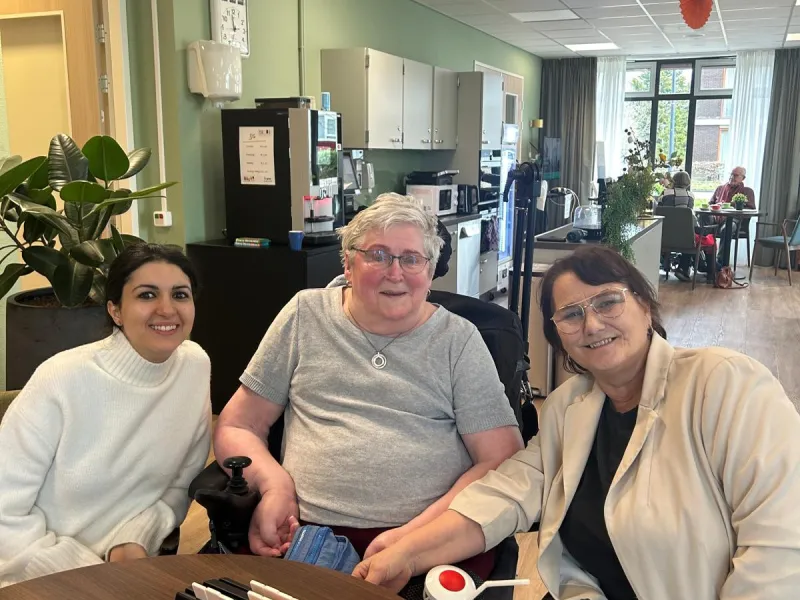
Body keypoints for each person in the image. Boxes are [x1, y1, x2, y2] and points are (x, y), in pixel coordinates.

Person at [354, 245, 800, 600]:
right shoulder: (570, 407)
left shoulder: (723, 384)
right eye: (570, 315)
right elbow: (506, 493)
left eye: (608, 301)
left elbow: (781, 551)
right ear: (557, 337)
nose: (591, 324)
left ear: (645, 305)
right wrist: (407, 554)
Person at [213, 193, 523, 581]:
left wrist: (413, 538)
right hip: (302, 533)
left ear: (429, 271)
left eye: (411, 258)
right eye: (377, 255)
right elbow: (238, 426)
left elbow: (501, 459)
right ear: (348, 262)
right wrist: (274, 487)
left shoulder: (458, 341)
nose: (395, 273)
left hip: (430, 541)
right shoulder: (305, 315)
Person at [0, 244, 211, 587]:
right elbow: (3, 513)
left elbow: (180, 485)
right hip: (33, 574)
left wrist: (133, 539)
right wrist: (90, 574)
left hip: (128, 571)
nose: (167, 309)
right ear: (115, 310)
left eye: (180, 295)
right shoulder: (62, 378)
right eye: (146, 295)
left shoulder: (195, 366)